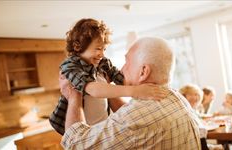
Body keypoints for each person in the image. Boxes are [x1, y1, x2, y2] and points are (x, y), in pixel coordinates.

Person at [60, 37, 201, 149]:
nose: (121, 69)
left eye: (127, 62)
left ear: (143, 72)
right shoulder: (177, 98)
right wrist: (107, 89)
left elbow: (75, 144)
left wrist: (74, 97)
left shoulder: (134, 119)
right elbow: (137, 118)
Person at [49, 18, 165, 135]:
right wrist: (135, 91)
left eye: (104, 49)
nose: (102, 54)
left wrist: (145, 83)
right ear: (77, 47)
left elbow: (122, 79)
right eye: (98, 48)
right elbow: (93, 89)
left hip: (102, 126)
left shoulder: (103, 63)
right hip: (83, 130)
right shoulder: (70, 66)